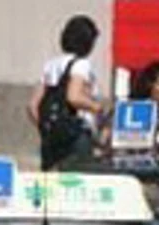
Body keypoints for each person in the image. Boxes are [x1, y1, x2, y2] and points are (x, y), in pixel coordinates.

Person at [29, 15, 107, 170]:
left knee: (51, 184)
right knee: (77, 182)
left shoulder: (50, 65)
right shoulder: (81, 65)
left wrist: (47, 128)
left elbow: (32, 106)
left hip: (51, 139)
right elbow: (74, 96)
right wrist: (96, 107)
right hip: (76, 135)